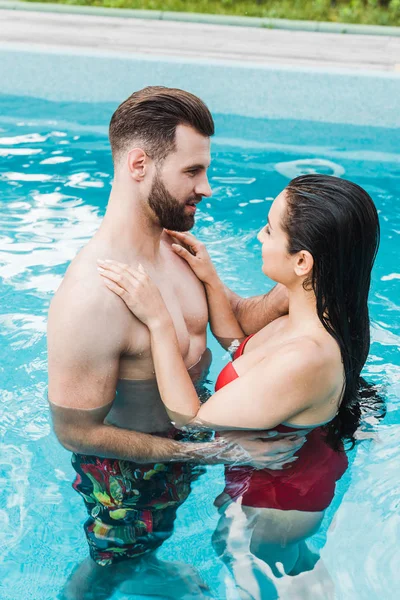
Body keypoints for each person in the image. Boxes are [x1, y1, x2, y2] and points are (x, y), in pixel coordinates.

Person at [47, 86, 300, 600]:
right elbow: (75, 432)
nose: (207, 188)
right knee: (112, 568)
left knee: (153, 552)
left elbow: (235, 319)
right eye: (192, 171)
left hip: (185, 446)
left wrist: (308, 277)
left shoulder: (174, 245)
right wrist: (209, 453)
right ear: (139, 163)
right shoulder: (91, 298)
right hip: (129, 480)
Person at [98, 174, 380, 597]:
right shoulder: (313, 309)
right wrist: (211, 278)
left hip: (276, 510)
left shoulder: (307, 358)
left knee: (248, 563)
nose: (258, 235)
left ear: (303, 261)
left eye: (269, 228)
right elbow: (239, 348)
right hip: (290, 480)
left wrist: (158, 320)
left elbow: (189, 415)